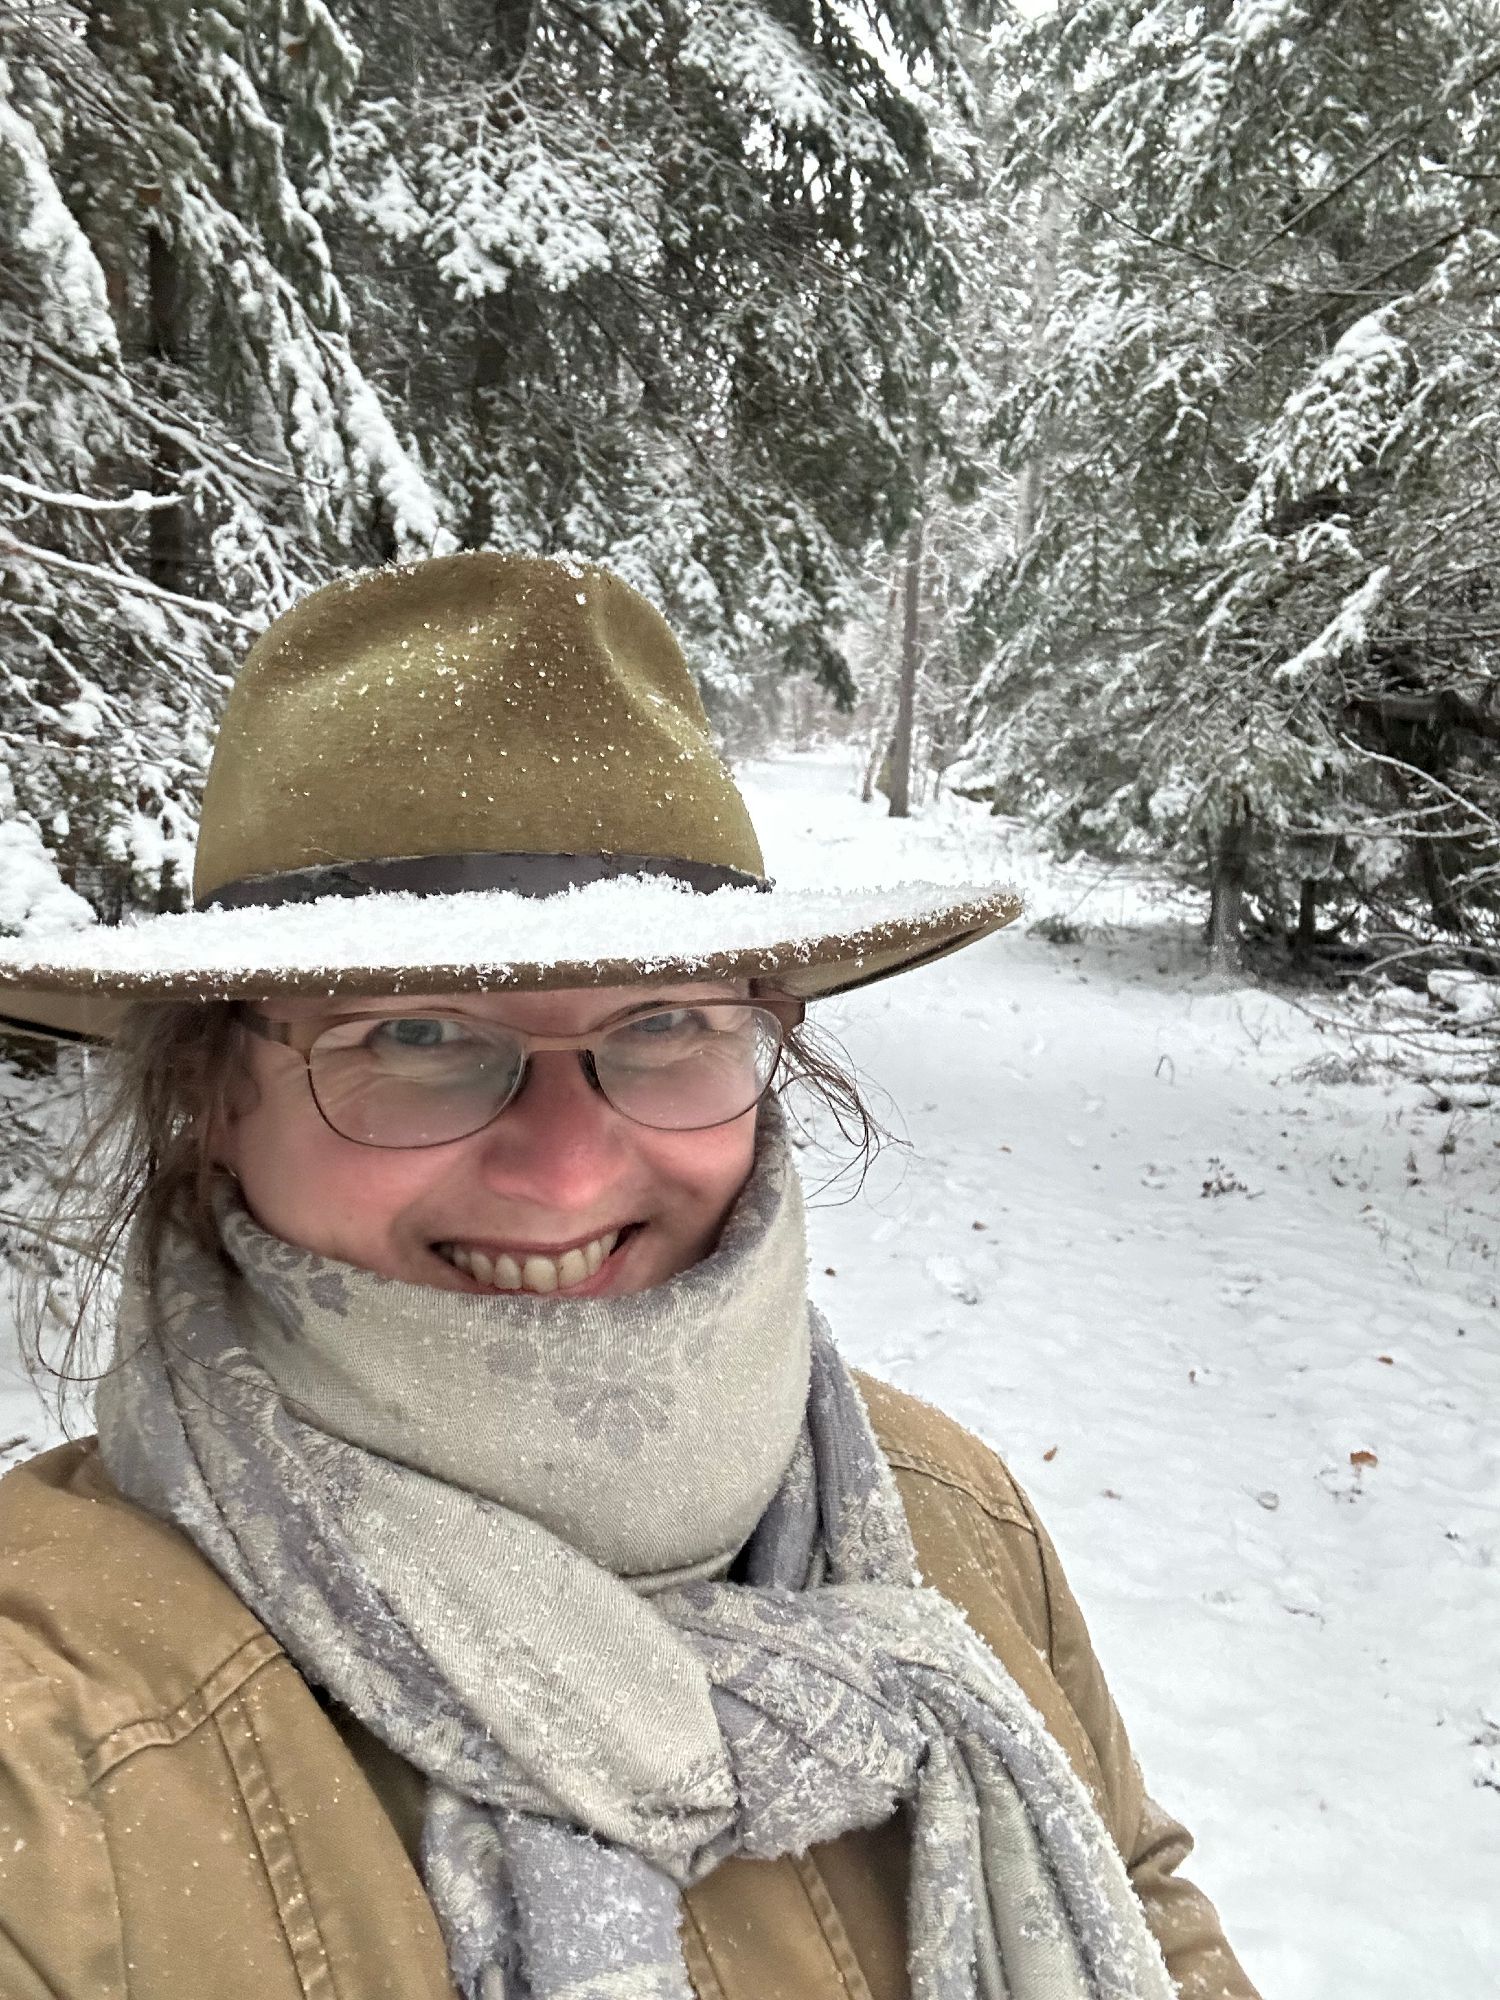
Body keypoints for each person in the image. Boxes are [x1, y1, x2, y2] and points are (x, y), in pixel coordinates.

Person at [0, 553, 1259, 2000]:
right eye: (413, 1036)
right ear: (219, 1095)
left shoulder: (950, 1516)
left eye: (666, 1021)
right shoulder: (49, 1737)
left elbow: (1136, 1896)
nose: (567, 1170)